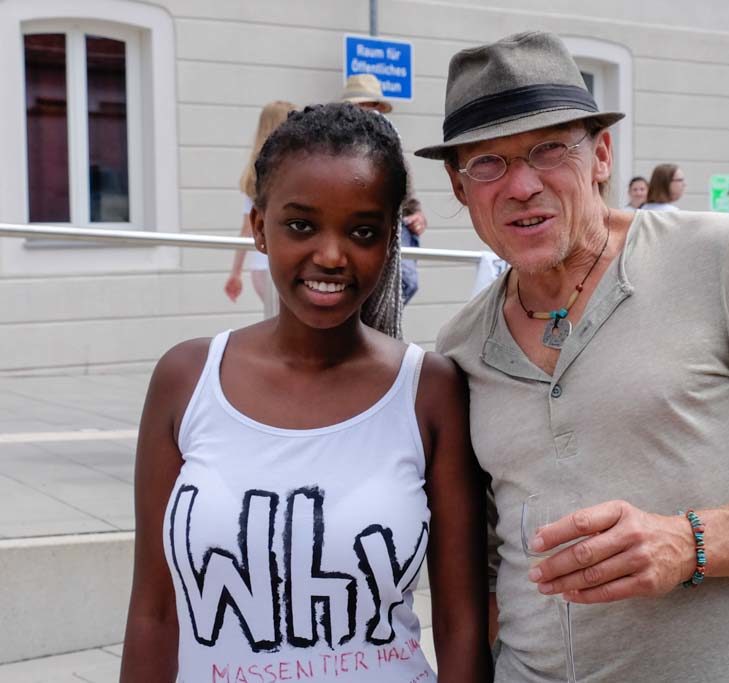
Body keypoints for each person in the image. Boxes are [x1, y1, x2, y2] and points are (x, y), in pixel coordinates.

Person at [415, 31, 729, 682]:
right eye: (487, 163)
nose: (521, 184)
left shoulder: (721, 258)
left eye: (548, 149)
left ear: (602, 154)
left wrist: (689, 542)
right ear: (460, 186)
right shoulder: (461, 347)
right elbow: (488, 567)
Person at [120, 104, 491, 683]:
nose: (331, 255)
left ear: (391, 240)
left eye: (363, 231)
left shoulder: (429, 390)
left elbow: (460, 620)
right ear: (258, 228)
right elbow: (154, 611)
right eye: (301, 225)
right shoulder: (186, 379)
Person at [339, 74, 428, 304]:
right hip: (352, 222)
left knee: (405, 281)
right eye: (362, 106)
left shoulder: (389, 140)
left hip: (389, 222)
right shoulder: (337, 143)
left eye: (372, 106)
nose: (369, 112)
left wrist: (415, 214)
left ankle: (375, 330)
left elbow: (404, 185)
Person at [224, 100, 294, 317]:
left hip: (261, 265)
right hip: (282, 262)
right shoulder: (289, 172)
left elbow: (247, 228)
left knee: (279, 324)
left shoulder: (255, 172)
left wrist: (235, 272)